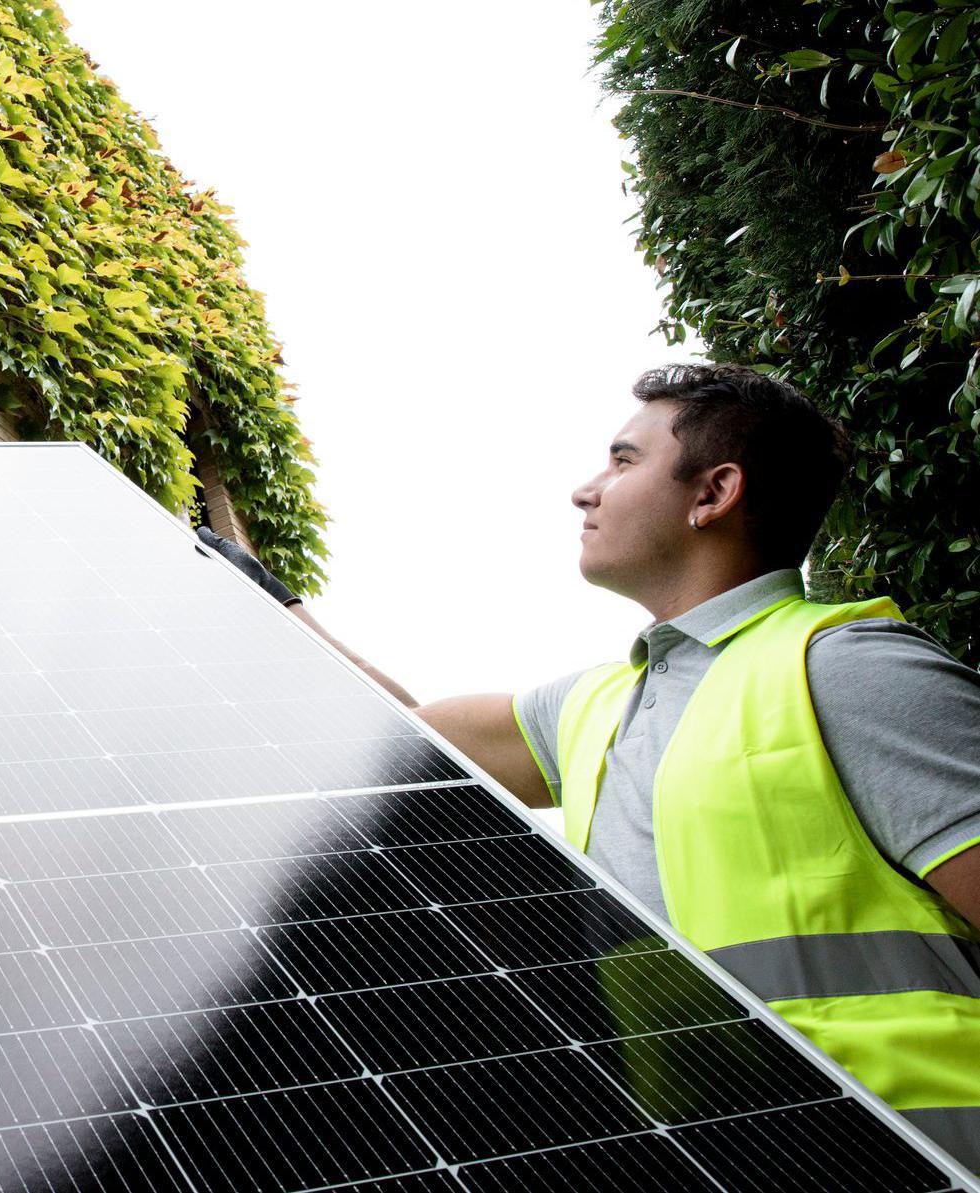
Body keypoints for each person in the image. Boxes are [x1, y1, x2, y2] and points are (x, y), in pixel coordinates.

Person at [255, 363, 980, 1167]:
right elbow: (391, 739)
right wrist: (269, 600)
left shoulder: (847, 670)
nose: (585, 489)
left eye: (623, 461)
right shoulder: (596, 706)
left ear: (713, 493)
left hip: (919, 1149)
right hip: (726, 1155)